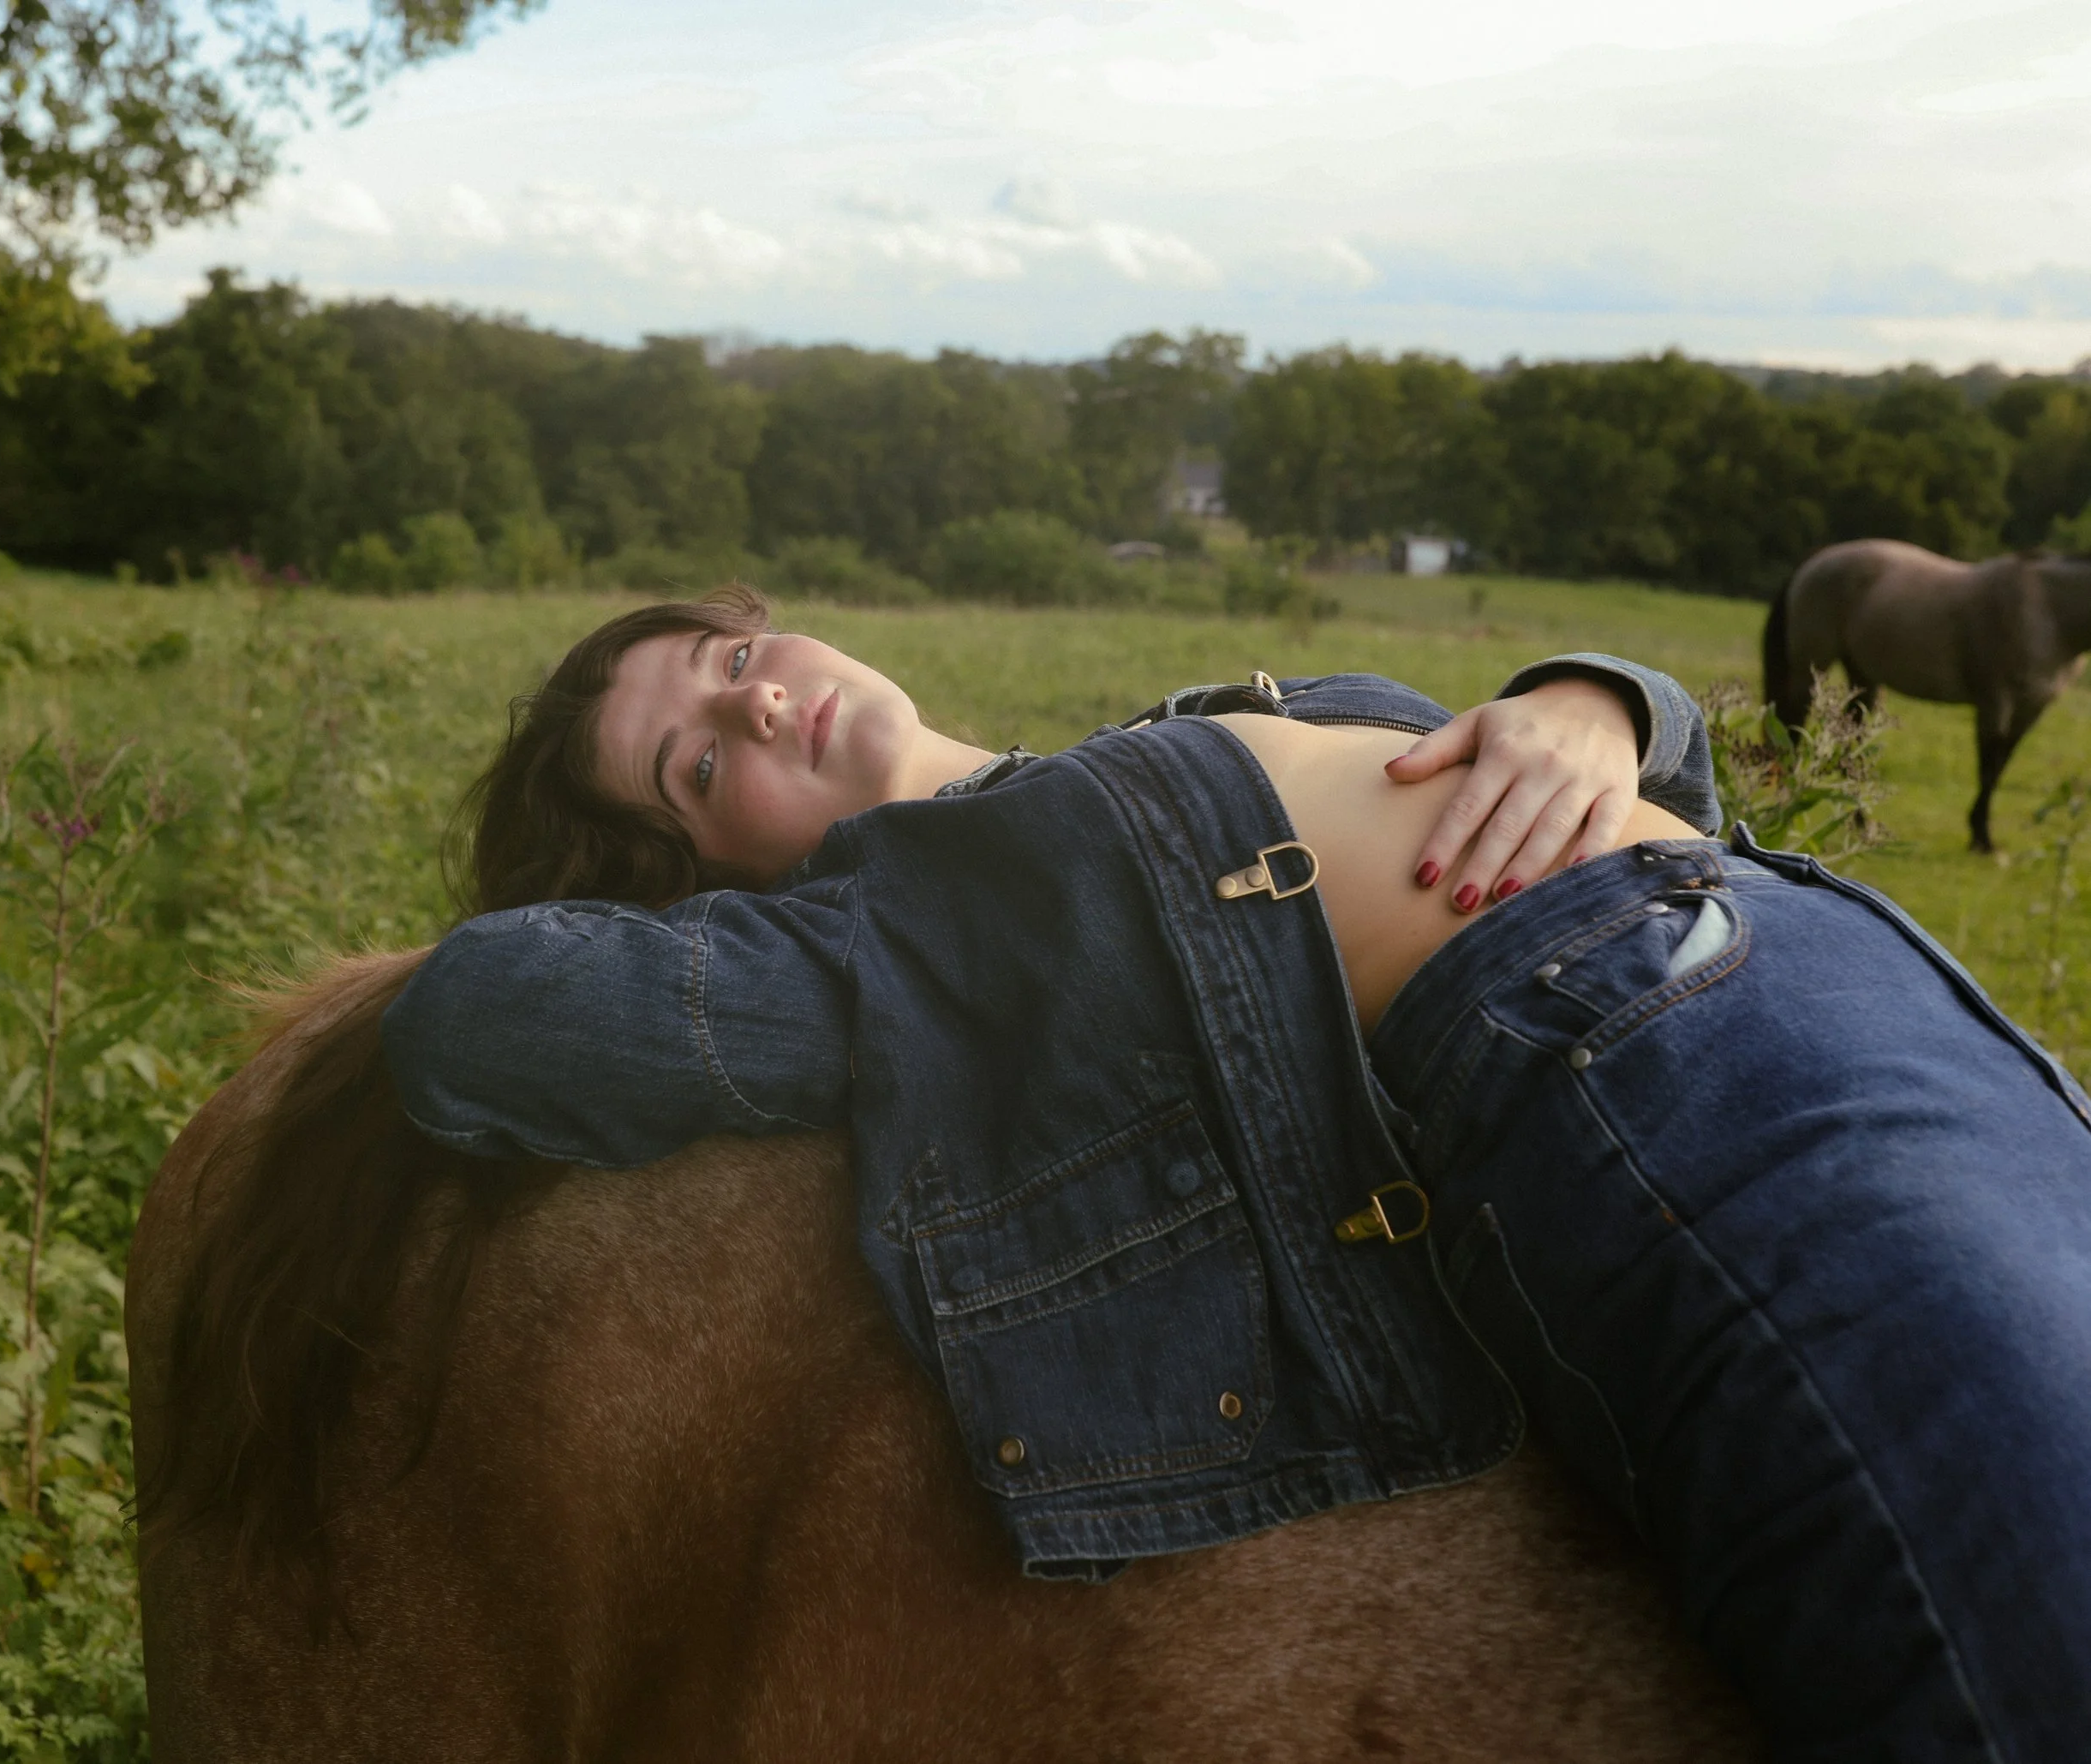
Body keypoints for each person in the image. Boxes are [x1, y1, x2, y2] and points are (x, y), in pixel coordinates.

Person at [385, 589, 2091, 1763]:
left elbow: (1643, 766)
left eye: (731, 652)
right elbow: (471, 1021)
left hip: (1877, 988)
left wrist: (1591, 703)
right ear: (708, 870)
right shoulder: (899, 930)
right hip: (1661, 1082)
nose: (754, 695)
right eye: (699, 758)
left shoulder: (1167, 729)